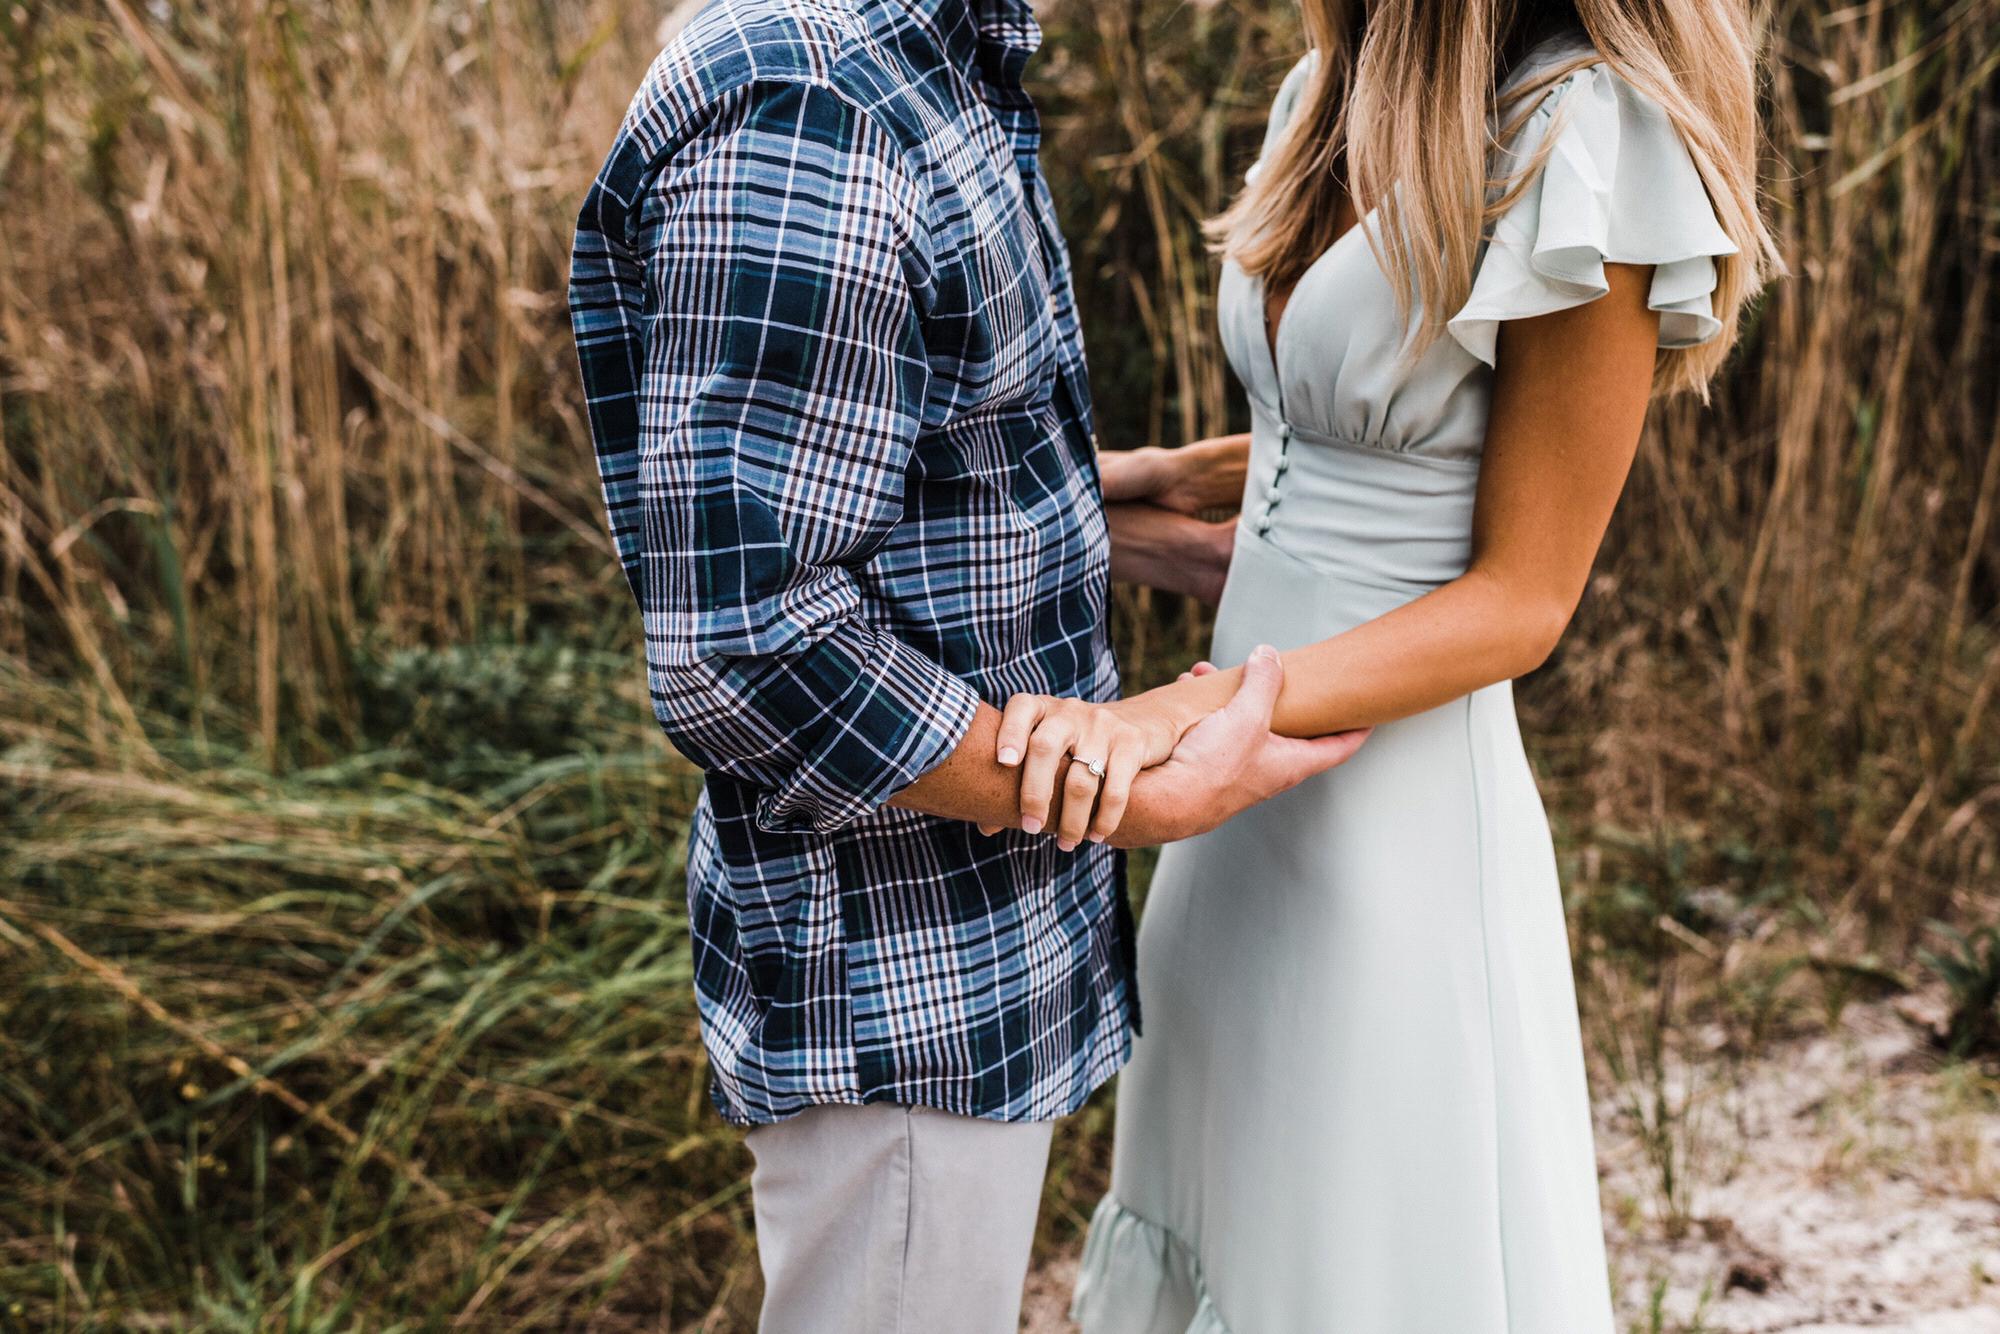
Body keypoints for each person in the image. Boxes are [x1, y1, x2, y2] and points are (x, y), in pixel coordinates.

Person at [564, 2, 1368, 1330]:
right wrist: (1114, 785)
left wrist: (1117, 506)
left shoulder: (930, 57)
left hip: (967, 959)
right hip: (895, 976)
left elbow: (873, 471)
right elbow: (746, 639)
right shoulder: (813, 110)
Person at [994, 2, 1780, 1329]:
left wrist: (1190, 709)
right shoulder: (1328, 85)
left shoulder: (1587, 135)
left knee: (1358, 1256)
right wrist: (1107, 497)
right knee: (1221, 1220)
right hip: (1231, 825)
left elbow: (1520, 598)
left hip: (1388, 831)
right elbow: (1339, 466)